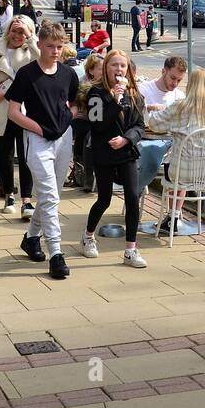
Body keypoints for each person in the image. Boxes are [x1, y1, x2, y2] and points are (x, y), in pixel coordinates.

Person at [6, 21, 78, 281]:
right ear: (40, 45)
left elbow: (74, 105)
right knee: (48, 194)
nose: (56, 52)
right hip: (36, 139)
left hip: (62, 137)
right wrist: (38, 128)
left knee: (53, 195)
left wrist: (65, 121)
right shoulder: (27, 74)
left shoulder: (68, 74)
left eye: (60, 47)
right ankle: (56, 253)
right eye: (51, 47)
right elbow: (13, 112)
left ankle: (32, 237)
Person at [80, 50, 148, 267]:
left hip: (126, 152)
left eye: (123, 66)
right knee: (105, 199)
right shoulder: (96, 93)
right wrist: (114, 100)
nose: (119, 70)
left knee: (131, 196)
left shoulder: (134, 94)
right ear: (106, 68)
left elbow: (139, 126)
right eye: (114, 65)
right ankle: (89, 236)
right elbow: (96, 124)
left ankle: (130, 249)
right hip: (103, 152)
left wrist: (127, 139)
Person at [145, 68, 205, 231]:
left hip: (181, 172)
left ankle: (173, 216)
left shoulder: (180, 107)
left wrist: (160, 112)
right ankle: (175, 217)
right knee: (179, 164)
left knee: (172, 164)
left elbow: (154, 124)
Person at [0, 14, 39, 218]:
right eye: (14, 30)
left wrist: (31, 40)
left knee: (27, 155)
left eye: (22, 32)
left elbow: (45, 67)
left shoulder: (32, 51)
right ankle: (9, 194)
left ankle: (27, 200)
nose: (17, 35)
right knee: (4, 156)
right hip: (1, 108)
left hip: (26, 110)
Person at [135, 56, 188, 197]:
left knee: (193, 157)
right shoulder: (144, 89)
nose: (175, 83)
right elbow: (135, 115)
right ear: (163, 71)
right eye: (173, 78)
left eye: (179, 80)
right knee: (152, 151)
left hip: (172, 140)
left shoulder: (179, 96)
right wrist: (148, 108)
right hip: (149, 138)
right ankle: (134, 192)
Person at [68, 53, 105, 191]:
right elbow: (80, 106)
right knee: (85, 135)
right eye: (100, 68)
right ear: (91, 70)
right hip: (82, 118)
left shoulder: (107, 83)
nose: (103, 71)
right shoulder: (83, 83)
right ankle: (83, 174)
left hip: (96, 120)